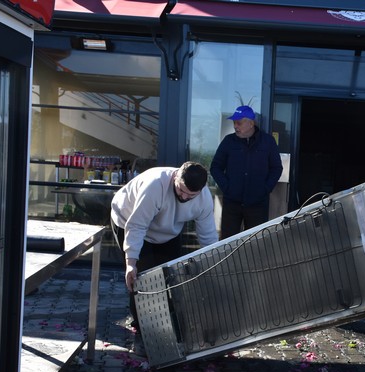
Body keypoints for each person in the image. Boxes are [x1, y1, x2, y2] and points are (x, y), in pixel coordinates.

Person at [110, 161, 218, 328]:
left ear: (200, 190)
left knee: (171, 277)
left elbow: (208, 236)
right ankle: (141, 329)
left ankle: (170, 324)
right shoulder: (155, 186)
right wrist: (131, 263)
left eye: (190, 195)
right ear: (176, 176)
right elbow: (137, 226)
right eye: (181, 190)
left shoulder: (204, 200)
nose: (184, 197)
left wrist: (214, 263)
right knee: (142, 278)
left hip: (167, 230)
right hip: (128, 220)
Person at [210, 105, 283, 239]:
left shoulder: (267, 142)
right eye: (234, 123)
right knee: (228, 243)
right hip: (232, 204)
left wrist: (265, 189)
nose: (235, 126)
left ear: (251, 123)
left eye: (239, 122)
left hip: (257, 204)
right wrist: (227, 188)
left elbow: (276, 168)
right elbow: (215, 167)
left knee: (255, 244)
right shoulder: (228, 141)